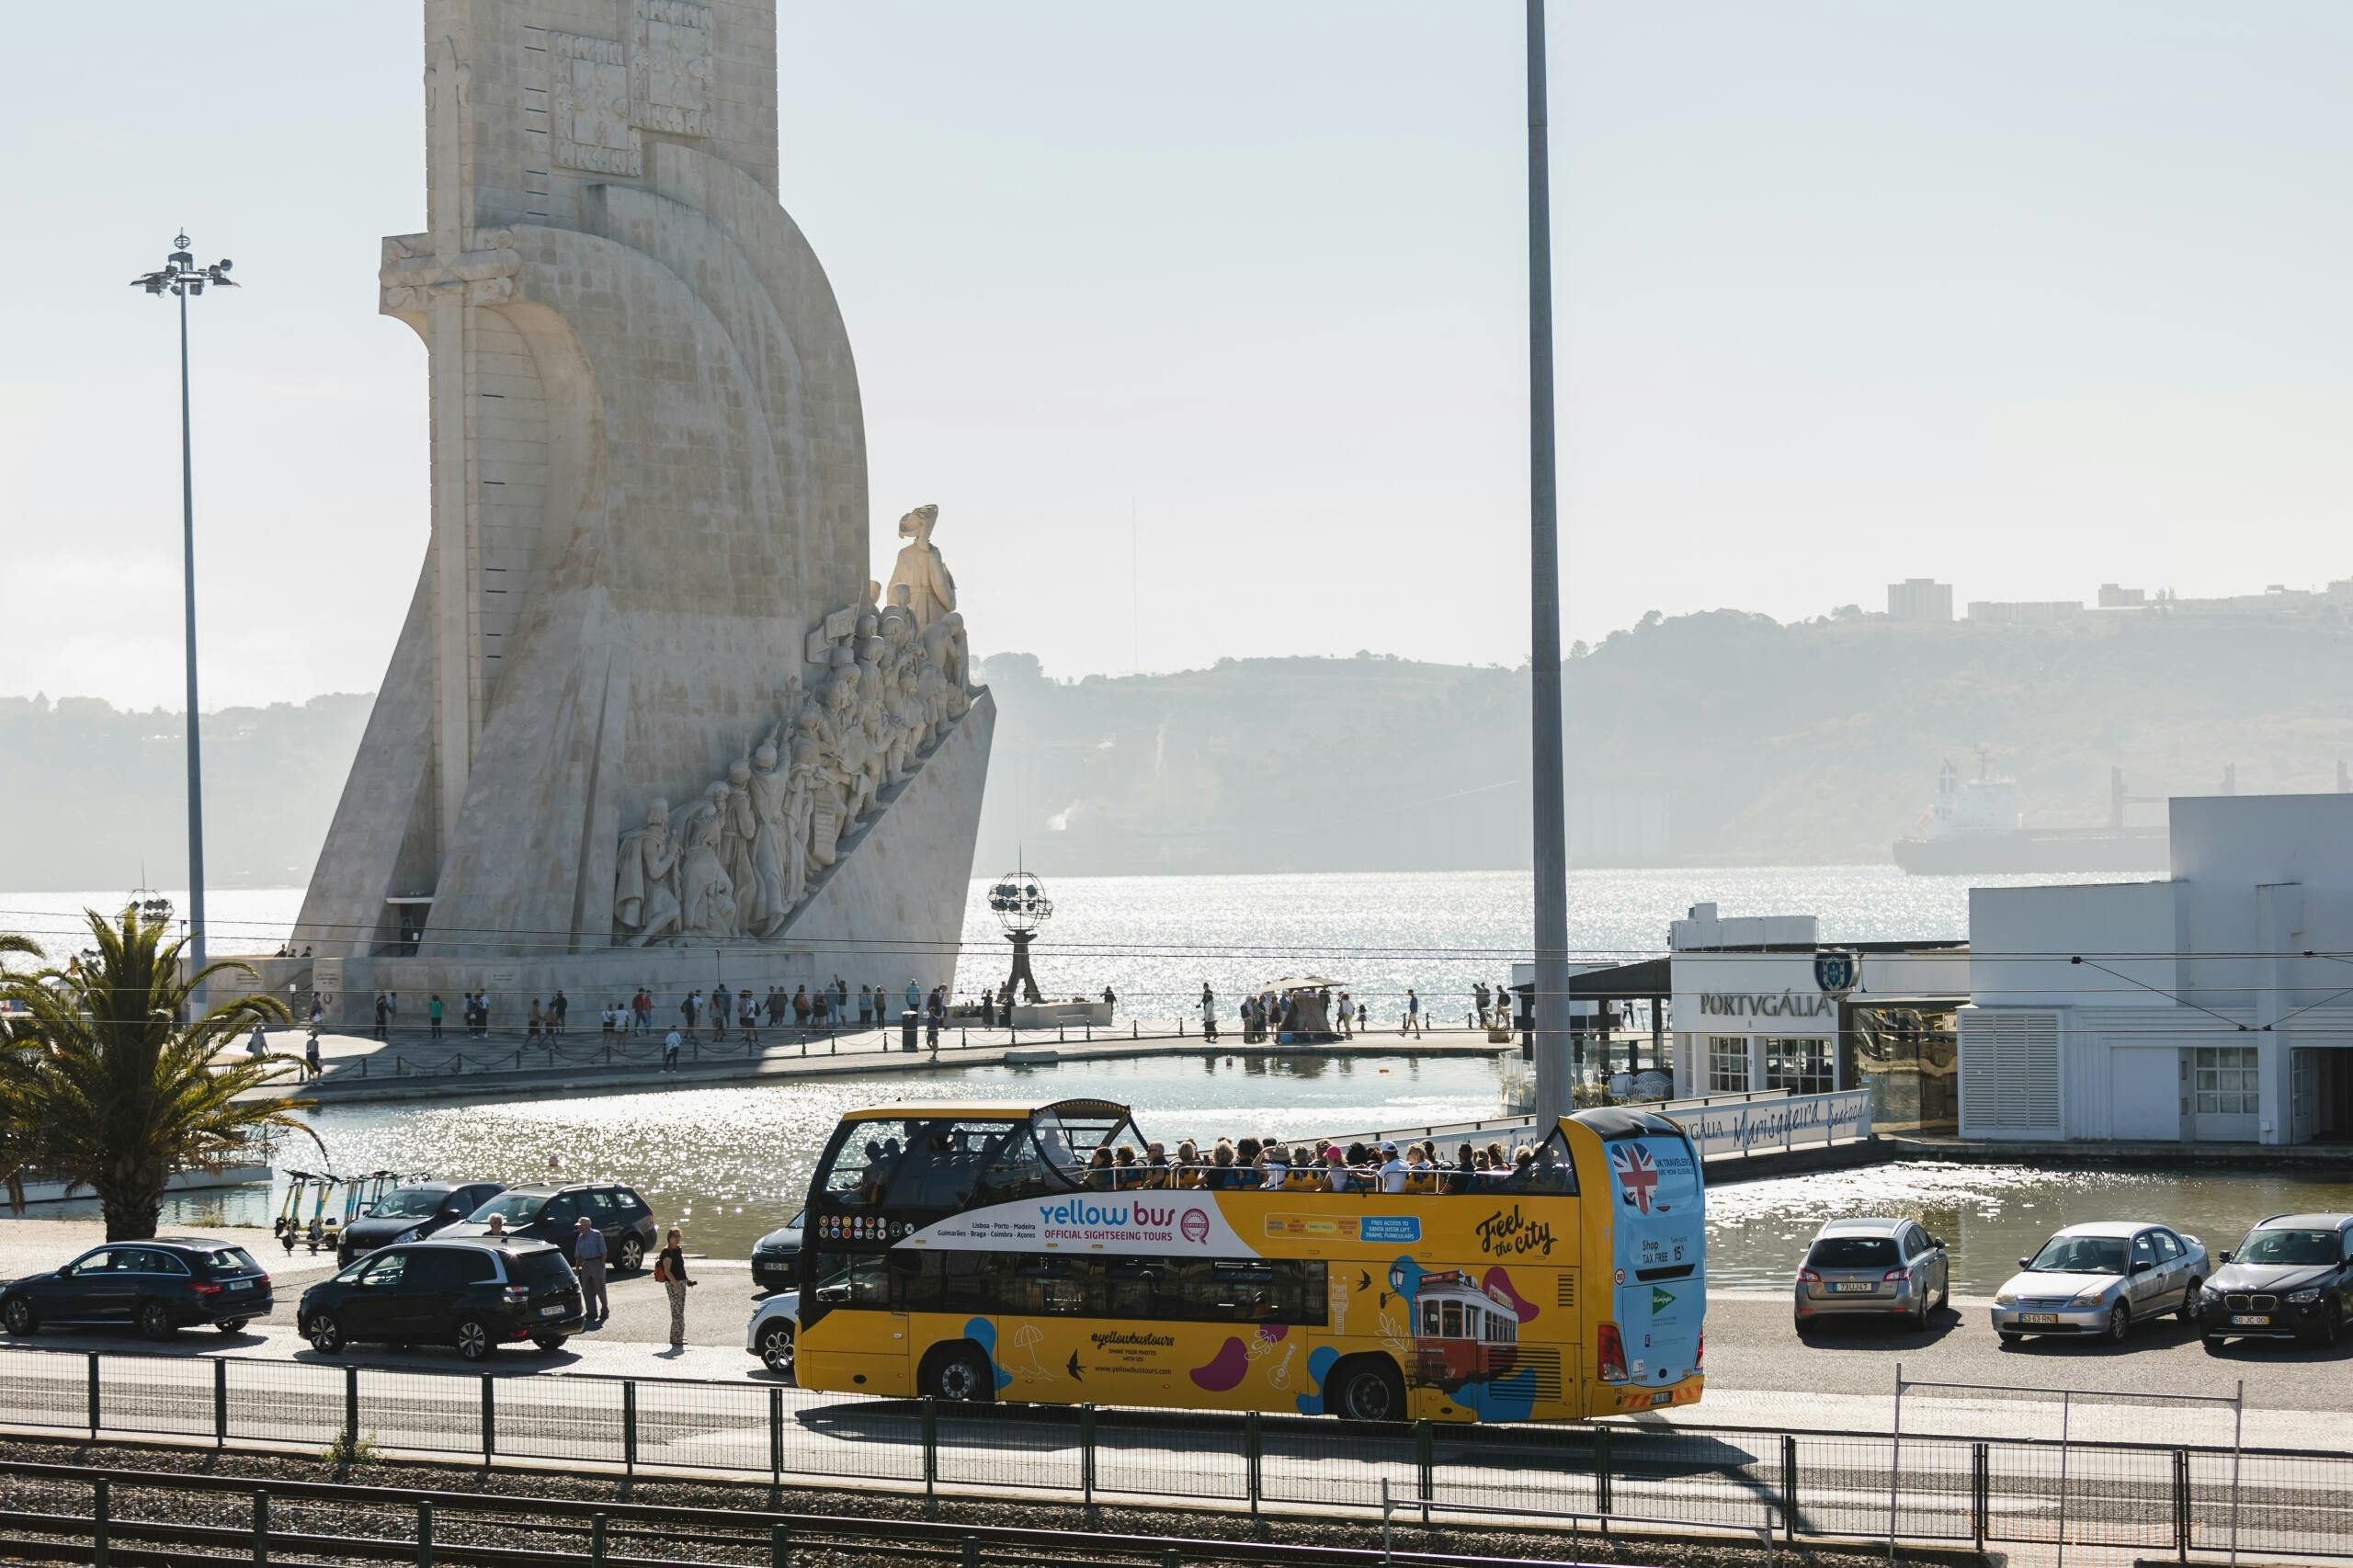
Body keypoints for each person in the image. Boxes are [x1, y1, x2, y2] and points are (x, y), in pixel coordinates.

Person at [657, 1227, 695, 1347]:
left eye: (679, 1236)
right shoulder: (667, 1252)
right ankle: (675, 1338)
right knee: (676, 1311)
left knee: (680, 1310)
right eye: (675, 1236)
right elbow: (667, 1271)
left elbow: (680, 1269)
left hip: (681, 1283)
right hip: (673, 1284)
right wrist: (676, 1284)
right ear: (669, 1238)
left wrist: (687, 1280)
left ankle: (678, 1336)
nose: (678, 1239)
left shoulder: (678, 1250)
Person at [574, 1214, 609, 1325]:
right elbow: (578, 1255)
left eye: (581, 1226)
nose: (579, 1228)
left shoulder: (597, 1234)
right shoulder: (580, 1237)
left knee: (600, 1288)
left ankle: (604, 1310)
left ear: (587, 1226)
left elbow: (604, 1251)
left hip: (596, 1262)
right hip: (586, 1263)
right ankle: (591, 1312)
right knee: (586, 1289)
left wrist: (602, 1265)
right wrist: (578, 1268)